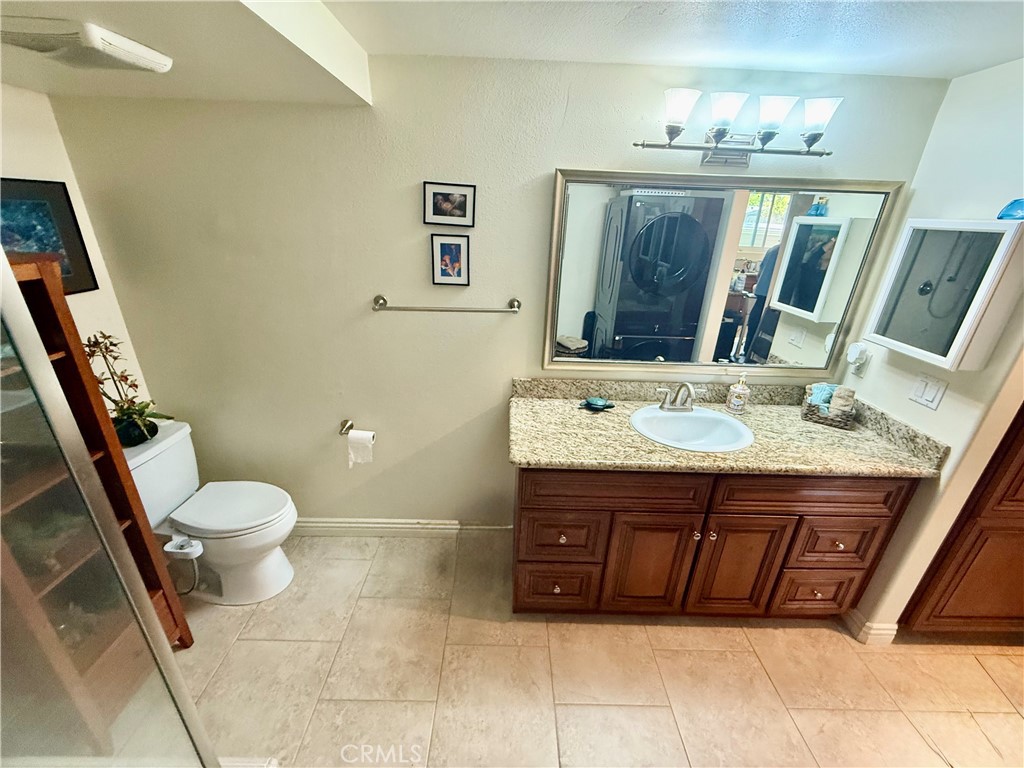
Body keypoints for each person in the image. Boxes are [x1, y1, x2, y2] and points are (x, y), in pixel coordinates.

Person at [742, 243, 779, 358]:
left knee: (754, 323)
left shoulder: (773, 249)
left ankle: (747, 351)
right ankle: (754, 355)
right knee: (764, 329)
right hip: (770, 296)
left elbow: (760, 272)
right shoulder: (785, 252)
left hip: (762, 291)